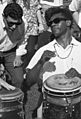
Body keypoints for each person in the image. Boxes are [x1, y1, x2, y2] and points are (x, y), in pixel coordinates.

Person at [26, 6, 81, 119]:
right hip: (51, 107)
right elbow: (28, 82)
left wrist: (79, 76)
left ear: (68, 22)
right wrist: (40, 63)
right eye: (50, 23)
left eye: (56, 21)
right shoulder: (43, 51)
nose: (52, 24)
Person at [0, 2, 26, 89]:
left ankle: (15, 100)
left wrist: (18, 56)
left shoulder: (23, 23)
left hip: (11, 51)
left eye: (17, 23)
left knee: (19, 79)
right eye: (10, 23)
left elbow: (22, 40)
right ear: (3, 17)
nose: (14, 27)